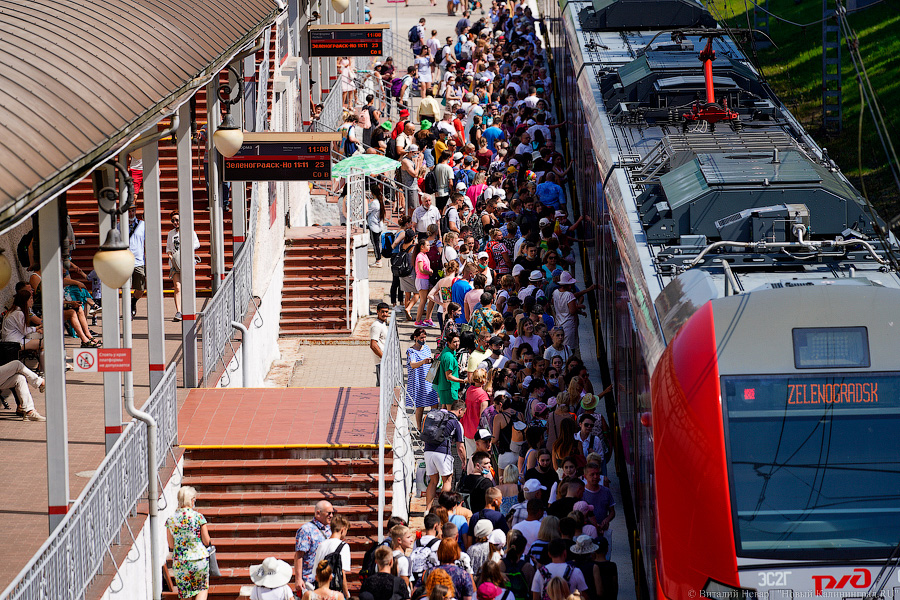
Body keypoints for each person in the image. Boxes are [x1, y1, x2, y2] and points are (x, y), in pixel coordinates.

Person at [166, 486, 211, 600]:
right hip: (199, 559)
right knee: (202, 588)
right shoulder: (198, 517)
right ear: (192, 500)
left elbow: (171, 545)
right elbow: (206, 540)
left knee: (185, 594)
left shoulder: (171, 519)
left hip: (181, 561)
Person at [423, 400, 467, 509]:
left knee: (433, 481)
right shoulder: (456, 423)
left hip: (428, 451)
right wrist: (464, 461)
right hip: (442, 453)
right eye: (464, 413)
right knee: (447, 480)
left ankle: (427, 510)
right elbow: (460, 447)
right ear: (460, 410)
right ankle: (442, 509)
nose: (463, 415)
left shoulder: (439, 415)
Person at [166, 212, 200, 322]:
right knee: (177, 287)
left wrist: (187, 248)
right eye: (173, 220)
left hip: (186, 261)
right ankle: (179, 311)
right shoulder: (170, 234)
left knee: (187, 286)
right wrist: (171, 257)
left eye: (177, 220)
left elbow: (197, 244)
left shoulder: (189, 231)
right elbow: (168, 248)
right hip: (175, 263)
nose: (175, 223)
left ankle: (189, 309)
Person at [294, 500, 334, 593]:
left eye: (332, 513)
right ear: (318, 513)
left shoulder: (330, 529)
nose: (331, 516)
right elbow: (299, 555)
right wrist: (298, 579)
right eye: (328, 513)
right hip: (310, 581)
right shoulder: (306, 530)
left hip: (327, 579)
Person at [1, 289, 45, 370]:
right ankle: (43, 370)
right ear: (25, 301)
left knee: (41, 346)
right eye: (30, 299)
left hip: (11, 341)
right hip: (14, 343)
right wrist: (36, 328)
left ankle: (41, 369)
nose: (32, 301)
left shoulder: (13, 311)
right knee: (44, 343)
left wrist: (36, 329)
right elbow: (24, 331)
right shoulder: (19, 313)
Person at [552, 272, 595, 350]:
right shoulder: (569, 295)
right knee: (569, 349)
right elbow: (572, 311)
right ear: (568, 285)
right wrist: (579, 308)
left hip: (559, 324)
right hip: (569, 325)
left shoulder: (555, 292)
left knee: (560, 348)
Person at [312, 514, 351, 598]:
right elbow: (342, 572)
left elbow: (316, 570)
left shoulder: (321, 545)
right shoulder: (344, 546)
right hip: (335, 592)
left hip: (320, 591)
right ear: (342, 530)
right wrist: (347, 595)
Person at [406, 328, 438, 429]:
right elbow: (412, 364)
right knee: (420, 405)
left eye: (424, 337)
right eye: (421, 338)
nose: (423, 340)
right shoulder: (411, 351)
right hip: (419, 381)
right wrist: (423, 362)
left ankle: (434, 424)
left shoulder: (427, 348)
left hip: (429, 379)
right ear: (415, 338)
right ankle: (419, 427)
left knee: (434, 403)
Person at [582, 462, 615, 536]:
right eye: (592, 474)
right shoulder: (582, 493)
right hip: (587, 533)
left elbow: (612, 512)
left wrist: (607, 520)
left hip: (603, 531)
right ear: (585, 476)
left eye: (597, 474)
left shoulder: (606, 491)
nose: (596, 477)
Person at [462, 369, 490, 455]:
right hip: (477, 431)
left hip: (467, 427)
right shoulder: (483, 395)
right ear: (484, 380)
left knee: (470, 455)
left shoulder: (469, 390)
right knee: (479, 457)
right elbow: (483, 417)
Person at [435, 333, 466, 407]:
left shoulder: (447, 352)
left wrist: (455, 366)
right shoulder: (449, 357)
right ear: (448, 343)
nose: (457, 344)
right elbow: (449, 376)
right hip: (449, 388)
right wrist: (463, 381)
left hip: (444, 387)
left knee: (444, 408)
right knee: (451, 411)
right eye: (454, 342)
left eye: (458, 341)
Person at [128, 205, 146, 318]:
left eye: (133, 210)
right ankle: (128, 310)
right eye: (129, 211)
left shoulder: (142, 225)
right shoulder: (120, 226)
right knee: (126, 287)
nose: (131, 213)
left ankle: (133, 302)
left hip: (139, 261)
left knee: (140, 288)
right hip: (125, 261)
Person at [370, 302, 391, 387]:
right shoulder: (376, 326)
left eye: (386, 312)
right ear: (377, 312)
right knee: (382, 387)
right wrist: (383, 357)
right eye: (382, 312)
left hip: (385, 361)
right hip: (381, 362)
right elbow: (373, 345)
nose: (384, 314)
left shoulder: (383, 323)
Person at [367, 194, 386, 268]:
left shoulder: (374, 203)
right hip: (378, 225)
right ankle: (378, 259)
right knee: (377, 243)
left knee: (375, 244)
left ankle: (378, 260)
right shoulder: (380, 202)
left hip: (374, 226)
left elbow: (367, 212)